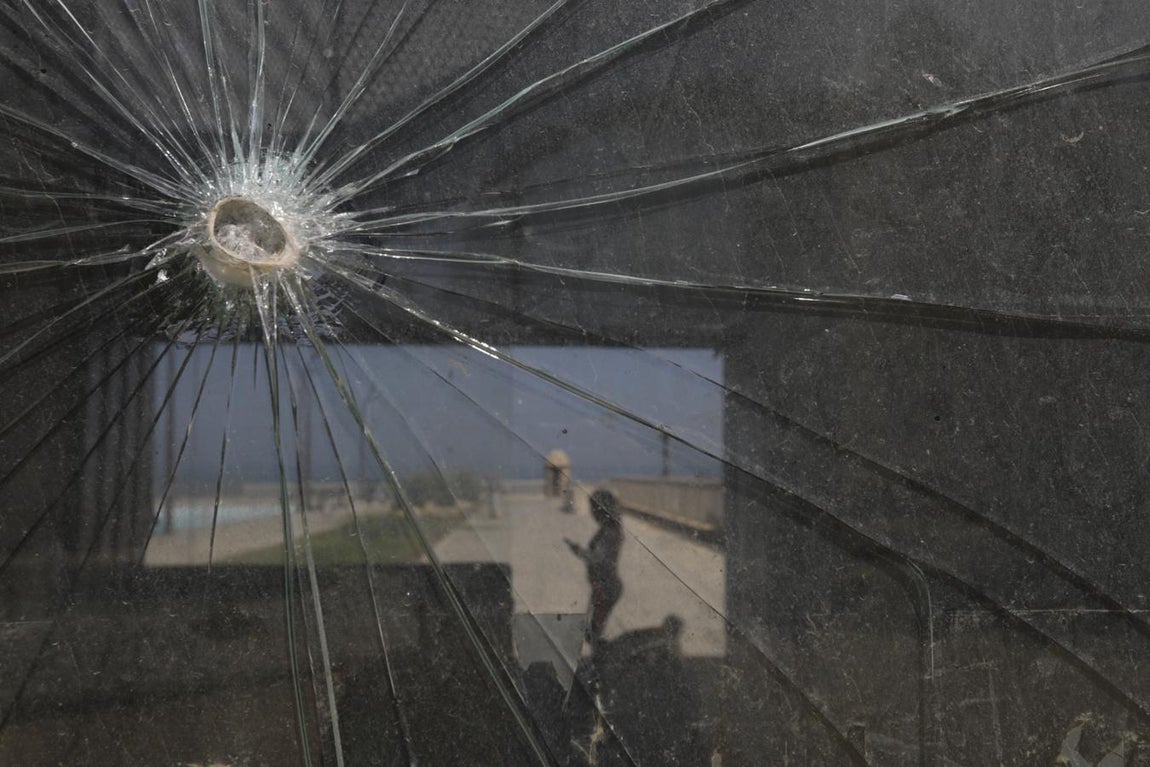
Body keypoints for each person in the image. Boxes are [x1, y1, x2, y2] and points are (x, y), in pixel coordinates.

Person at [565, 489, 624, 642]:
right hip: (604, 586)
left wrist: (578, 551)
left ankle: (601, 662)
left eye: (594, 508)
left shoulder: (608, 532)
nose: (592, 513)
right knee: (593, 631)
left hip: (605, 587)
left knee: (592, 632)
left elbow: (597, 558)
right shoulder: (612, 529)